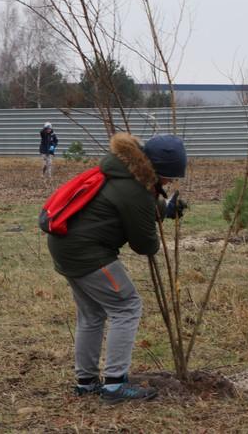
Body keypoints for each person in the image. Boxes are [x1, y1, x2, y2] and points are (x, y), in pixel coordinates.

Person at [47, 133, 187, 403]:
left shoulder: (122, 170)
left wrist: (164, 208)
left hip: (65, 245)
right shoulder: (135, 190)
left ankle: (86, 382)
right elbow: (145, 245)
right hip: (87, 254)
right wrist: (153, 221)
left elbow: (129, 201)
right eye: (168, 177)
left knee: (91, 314)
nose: (169, 183)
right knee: (127, 306)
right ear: (157, 171)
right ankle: (114, 386)